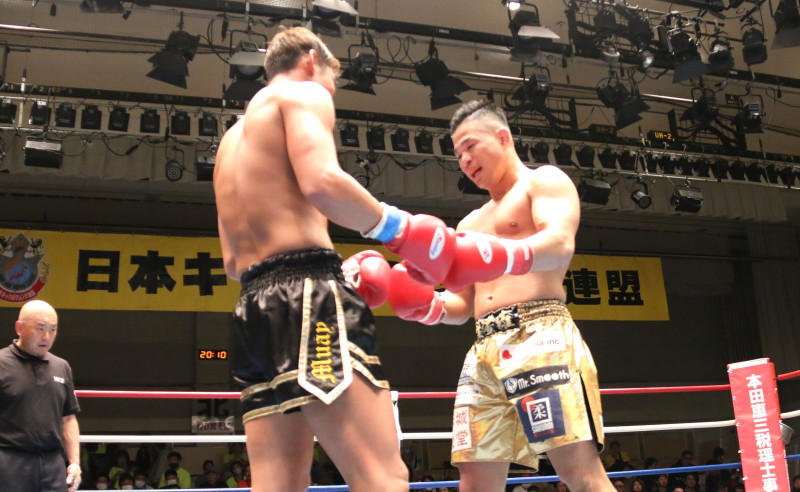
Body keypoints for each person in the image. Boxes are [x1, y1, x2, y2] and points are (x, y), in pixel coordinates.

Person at [213, 25, 451, 492]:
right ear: (310, 60)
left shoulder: (231, 142)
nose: (331, 93)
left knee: (279, 483)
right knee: (383, 476)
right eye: (333, 80)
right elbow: (321, 181)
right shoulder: (302, 93)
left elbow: (233, 263)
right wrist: (399, 229)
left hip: (253, 308)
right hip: (308, 295)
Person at [382, 99, 614, 492]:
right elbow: (464, 304)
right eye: (458, 154)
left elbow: (559, 244)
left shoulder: (543, 182)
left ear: (502, 137)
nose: (464, 160)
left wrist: (499, 254)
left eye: (470, 146)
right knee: (474, 481)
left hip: (539, 334)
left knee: (579, 473)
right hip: (483, 350)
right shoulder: (469, 223)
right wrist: (428, 306)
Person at [0, 300, 82, 492]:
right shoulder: (1, 363)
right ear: (19, 328)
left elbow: (68, 418)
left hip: (53, 465)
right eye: (40, 328)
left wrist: (74, 462)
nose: (47, 336)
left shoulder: (61, 366)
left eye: (53, 329)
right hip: (9, 462)